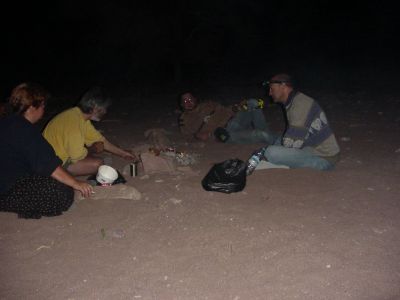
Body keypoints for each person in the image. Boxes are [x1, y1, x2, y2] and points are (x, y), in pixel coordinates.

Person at [0, 83, 93, 219]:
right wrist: (76, 184)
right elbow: (49, 166)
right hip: (7, 188)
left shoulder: (8, 122)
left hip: (7, 179)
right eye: (42, 106)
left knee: (58, 179)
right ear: (32, 107)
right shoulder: (24, 129)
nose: (44, 110)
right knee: (61, 192)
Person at [43, 87, 136, 176]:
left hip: (57, 156)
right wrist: (94, 149)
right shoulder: (74, 123)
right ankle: (61, 177)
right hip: (52, 164)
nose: (105, 112)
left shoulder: (79, 116)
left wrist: (123, 153)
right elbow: (77, 156)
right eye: (104, 109)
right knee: (97, 164)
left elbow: (100, 140)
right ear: (95, 108)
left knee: (98, 157)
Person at [262, 73, 340, 170]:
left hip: (324, 157)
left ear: (283, 86)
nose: (270, 93)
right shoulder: (294, 100)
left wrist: (267, 152)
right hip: (311, 147)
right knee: (279, 140)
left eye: (272, 89)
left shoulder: (300, 105)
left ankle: (312, 165)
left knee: (271, 152)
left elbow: (293, 145)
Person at [178, 92, 276, 144]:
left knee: (253, 102)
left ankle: (266, 132)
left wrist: (237, 107)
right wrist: (197, 136)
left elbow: (225, 110)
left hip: (234, 121)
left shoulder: (208, 104)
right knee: (260, 134)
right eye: (185, 101)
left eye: (190, 99)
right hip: (223, 134)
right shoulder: (184, 120)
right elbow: (187, 137)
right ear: (182, 104)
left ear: (195, 99)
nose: (188, 103)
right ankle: (278, 142)